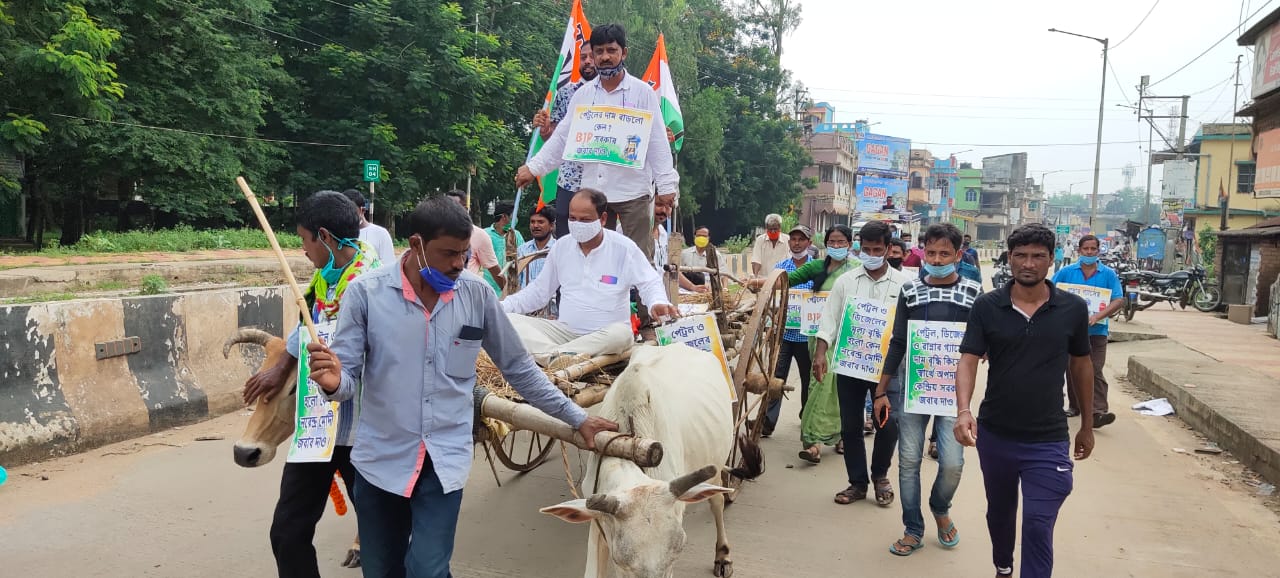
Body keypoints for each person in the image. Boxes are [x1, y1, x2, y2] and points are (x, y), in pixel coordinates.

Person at [304, 196, 618, 577]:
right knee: (381, 570)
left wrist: (578, 417)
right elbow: (346, 378)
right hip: (380, 461)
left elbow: (520, 369)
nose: (459, 263)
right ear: (416, 244)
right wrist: (334, 383)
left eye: (464, 252)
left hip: (443, 461)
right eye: (449, 253)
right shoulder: (366, 294)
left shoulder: (477, 295)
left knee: (427, 570)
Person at [240, 191, 381, 578]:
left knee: (382, 535)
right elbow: (308, 326)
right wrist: (285, 358)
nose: (301, 250)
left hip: (362, 431)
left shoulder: (374, 285)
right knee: (287, 531)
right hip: (316, 429)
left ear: (324, 237)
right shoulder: (323, 281)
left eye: (304, 240)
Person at [955, 223, 1096, 578]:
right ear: (1010, 258)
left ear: (1051, 260)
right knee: (1000, 515)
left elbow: (1081, 365)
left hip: (1047, 438)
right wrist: (963, 410)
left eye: (1037, 256)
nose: (1028, 264)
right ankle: (1003, 564)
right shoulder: (988, 306)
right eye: (1021, 255)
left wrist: (1087, 426)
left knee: (1037, 522)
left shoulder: (1072, 309)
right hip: (997, 434)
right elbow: (968, 360)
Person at [517, 23, 679, 262]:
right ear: (592, 55)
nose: (605, 57)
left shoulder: (642, 93)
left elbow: (657, 142)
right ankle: (598, 301)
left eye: (611, 51)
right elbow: (563, 136)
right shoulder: (583, 95)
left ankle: (645, 301)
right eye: (599, 51)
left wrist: (666, 187)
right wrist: (534, 167)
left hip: (632, 192)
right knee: (593, 258)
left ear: (624, 53)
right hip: (594, 192)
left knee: (638, 260)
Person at [873, 223, 982, 557]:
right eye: (931, 253)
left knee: (952, 463)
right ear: (922, 253)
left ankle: (939, 505)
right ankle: (913, 528)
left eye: (944, 253)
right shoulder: (910, 292)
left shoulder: (975, 295)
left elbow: (983, 343)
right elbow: (898, 343)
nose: (936, 259)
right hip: (912, 389)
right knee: (908, 460)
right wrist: (880, 392)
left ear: (958, 255)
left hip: (954, 394)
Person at [501, 188, 678, 364]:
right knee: (509, 321)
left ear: (602, 219)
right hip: (565, 333)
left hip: (606, 336)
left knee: (622, 335)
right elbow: (538, 293)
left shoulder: (623, 248)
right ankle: (558, 357)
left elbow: (649, 282)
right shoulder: (561, 247)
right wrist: (500, 306)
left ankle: (555, 356)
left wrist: (657, 301)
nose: (577, 224)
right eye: (572, 218)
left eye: (585, 220)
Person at [812, 221, 909, 506]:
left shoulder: (905, 285)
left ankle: (880, 475)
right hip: (851, 365)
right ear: (859, 248)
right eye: (865, 249)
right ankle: (857, 483)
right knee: (851, 426)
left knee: (888, 425)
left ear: (889, 249)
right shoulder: (846, 282)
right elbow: (828, 320)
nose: (871, 254)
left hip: (888, 371)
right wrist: (820, 354)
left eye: (877, 249)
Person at [747, 225, 860, 460]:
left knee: (844, 390)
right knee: (818, 386)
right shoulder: (817, 267)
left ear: (849, 244)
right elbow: (786, 280)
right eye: (833, 242)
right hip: (819, 338)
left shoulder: (857, 271)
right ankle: (813, 442)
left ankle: (841, 436)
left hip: (848, 339)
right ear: (826, 244)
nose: (837, 246)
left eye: (841, 242)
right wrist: (759, 284)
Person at [1052, 235, 1123, 427]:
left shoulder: (1108, 274)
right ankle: (1075, 406)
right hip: (1069, 331)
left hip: (1097, 331)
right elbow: (1049, 290)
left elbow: (1118, 299)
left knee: (1095, 368)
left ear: (1098, 251)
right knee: (1071, 368)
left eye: (1093, 249)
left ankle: (1098, 412)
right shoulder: (1066, 272)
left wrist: (1098, 316)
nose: (1089, 252)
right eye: (1086, 249)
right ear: (1079, 251)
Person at [531, 44, 597, 239]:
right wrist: (544, 129)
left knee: (598, 230)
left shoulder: (615, 95)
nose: (587, 61)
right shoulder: (567, 93)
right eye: (582, 57)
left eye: (591, 56)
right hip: (570, 176)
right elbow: (554, 136)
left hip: (601, 177)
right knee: (566, 229)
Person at [763, 224, 816, 436]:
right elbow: (772, 299)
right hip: (783, 334)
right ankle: (767, 421)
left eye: (801, 239)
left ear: (809, 243)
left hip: (807, 336)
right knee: (776, 378)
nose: (796, 243)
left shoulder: (816, 269)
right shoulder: (781, 268)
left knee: (808, 380)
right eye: (793, 239)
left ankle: (807, 419)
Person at [445, 190, 505, 293]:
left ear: (465, 209)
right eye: (445, 208)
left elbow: (495, 271)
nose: (448, 212)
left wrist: (510, 296)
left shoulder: (479, 235)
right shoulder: (434, 234)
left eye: (453, 208)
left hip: (465, 294)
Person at [342, 189, 396, 266]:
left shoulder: (381, 234)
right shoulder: (338, 235)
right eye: (344, 211)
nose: (347, 215)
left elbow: (389, 265)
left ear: (362, 210)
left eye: (351, 211)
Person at [484, 201, 526, 295]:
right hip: (489, 289)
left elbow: (523, 258)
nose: (515, 219)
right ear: (504, 217)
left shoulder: (516, 235)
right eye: (513, 216)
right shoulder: (485, 235)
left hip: (511, 290)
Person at [517, 206, 556, 289]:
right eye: (532, 222)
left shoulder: (558, 249)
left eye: (540, 222)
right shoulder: (522, 250)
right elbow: (517, 281)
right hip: (525, 300)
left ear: (551, 226)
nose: (535, 226)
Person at [679, 226, 718, 292]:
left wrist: (725, 288)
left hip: (709, 291)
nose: (701, 238)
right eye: (699, 235)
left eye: (704, 236)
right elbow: (677, 272)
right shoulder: (684, 254)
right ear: (695, 236)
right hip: (687, 291)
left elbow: (723, 273)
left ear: (708, 238)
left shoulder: (715, 255)